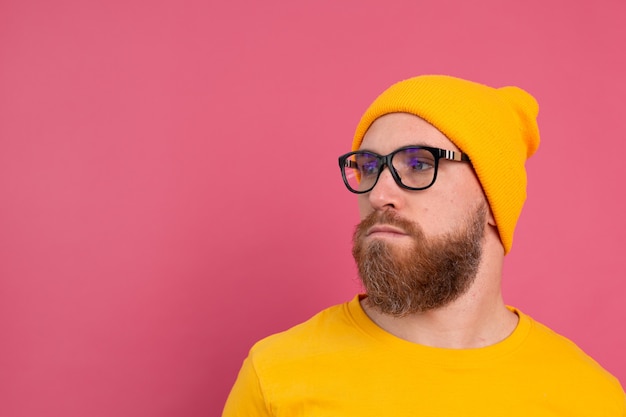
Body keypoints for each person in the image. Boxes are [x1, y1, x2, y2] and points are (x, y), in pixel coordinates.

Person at [222, 75, 625, 416]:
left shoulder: (591, 399)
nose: (379, 195)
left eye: (418, 164)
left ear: (490, 199)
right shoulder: (277, 374)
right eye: (367, 167)